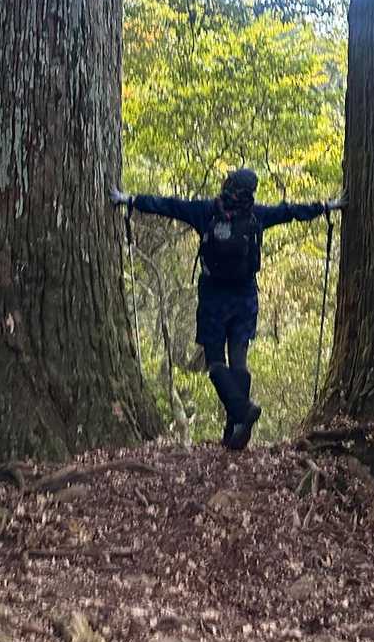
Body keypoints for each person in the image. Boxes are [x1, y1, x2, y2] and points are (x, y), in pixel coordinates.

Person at [110, 168, 344, 450]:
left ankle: (241, 413)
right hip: (244, 297)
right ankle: (236, 429)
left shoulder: (206, 212)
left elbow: (170, 206)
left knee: (214, 361)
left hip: (213, 297)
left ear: (228, 185)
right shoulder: (256, 215)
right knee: (238, 360)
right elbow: (289, 211)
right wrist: (325, 207)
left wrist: (131, 200)